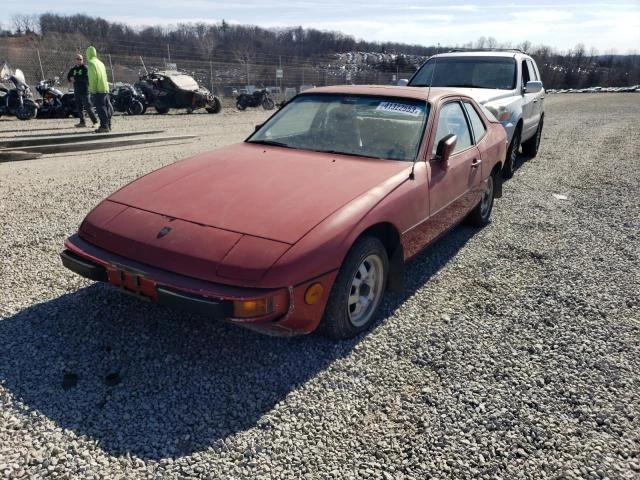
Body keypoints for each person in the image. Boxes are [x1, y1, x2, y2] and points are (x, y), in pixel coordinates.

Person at [86, 46, 112, 133]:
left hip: (98, 89)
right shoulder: (101, 63)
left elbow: (92, 78)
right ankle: (108, 125)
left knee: (101, 108)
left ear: (88, 54)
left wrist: (92, 90)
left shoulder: (91, 63)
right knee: (107, 107)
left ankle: (104, 126)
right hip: (105, 87)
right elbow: (105, 75)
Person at [67, 54, 98, 128]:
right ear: (75, 60)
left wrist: (76, 79)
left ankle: (95, 122)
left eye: (80, 59)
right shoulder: (73, 69)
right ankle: (82, 122)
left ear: (82, 60)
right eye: (77, 59)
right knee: (79, 108)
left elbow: (86, 79)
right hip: (77, 91)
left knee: (88, 107)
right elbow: (68, 76)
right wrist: (70, 79)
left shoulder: (85, 68)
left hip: (85, 91)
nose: (79, 60)